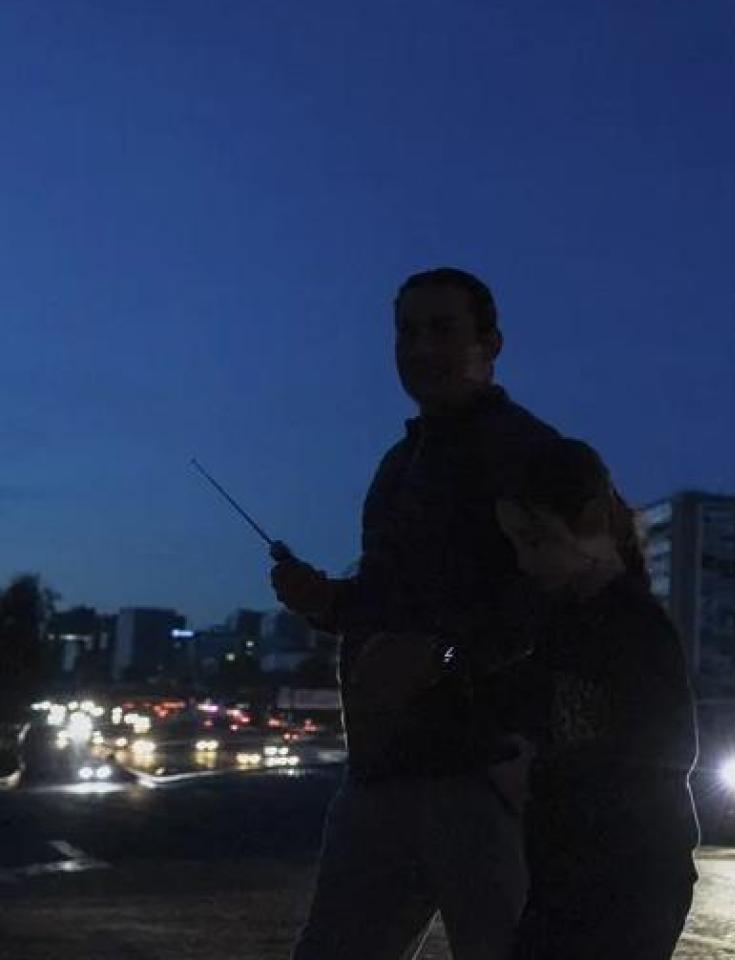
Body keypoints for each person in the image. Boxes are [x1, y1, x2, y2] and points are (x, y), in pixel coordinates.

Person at [272, 267, 598, 960]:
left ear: (493, 343)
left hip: (486, 775)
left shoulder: (533, 455)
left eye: (442, 329)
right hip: (384, 771)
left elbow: (569, 597)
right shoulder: (398, 464)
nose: (421, 348)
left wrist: (445, 654)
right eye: (407, 332)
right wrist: (329, 602)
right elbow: (394, 601)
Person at [494, 440, 699, 960]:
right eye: (516, 542)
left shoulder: (634, 626)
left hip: (630, 877)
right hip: (569, 873)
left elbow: (661, 753)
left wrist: (534, 775)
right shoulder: (561, 621)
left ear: (587, 520)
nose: (525, 559)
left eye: (536, 539)